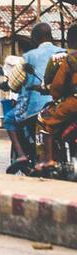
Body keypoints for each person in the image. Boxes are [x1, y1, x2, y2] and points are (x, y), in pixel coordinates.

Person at [5, 22, 58, 171]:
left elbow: (14, 83)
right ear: (51, 36)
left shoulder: (28, 57)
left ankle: (21, 155)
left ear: (34, 39)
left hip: (35, 109)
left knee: (9, 118)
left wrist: (10, 85)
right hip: (60, 104)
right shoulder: (63, 53)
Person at [37, 24, 77, 172]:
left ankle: (48, 159)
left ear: (68, 40)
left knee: (43, 118)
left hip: (73, 103)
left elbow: (57, 86)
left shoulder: (67, 58)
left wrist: (56, 96)